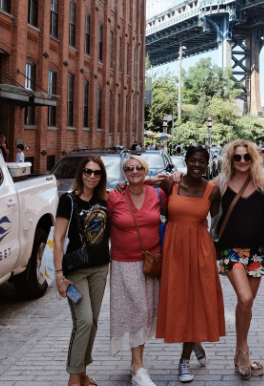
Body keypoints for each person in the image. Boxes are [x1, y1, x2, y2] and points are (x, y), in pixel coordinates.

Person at [154, 144, 224, 383]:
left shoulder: (212, 191)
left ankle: (184, 360)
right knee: (179, 300)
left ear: (207, 164)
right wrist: (125, 184)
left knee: (195, 301)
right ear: (186, 161)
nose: (197, 165)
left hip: (200, 250)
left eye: (201, 161)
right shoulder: (170, 184)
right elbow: (141, 183)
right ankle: (194, 341)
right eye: (193, 160)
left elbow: (214, 224)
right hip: (174, 251)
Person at [211, 140, 264, 380]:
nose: (243, 161)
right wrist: (172, 178)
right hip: (230, 250)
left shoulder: (263, 182)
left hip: (257, 251)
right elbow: (193, 191)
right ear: (230, 159)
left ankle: (240, 351)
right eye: (237, 157)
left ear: (254, 158)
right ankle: (244, 351)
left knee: (246, 304)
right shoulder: (221, 183)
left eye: (247, 157)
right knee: (244, 297)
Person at [52, 156, 110, 386]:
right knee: (83, 321)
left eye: (97, 173)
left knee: (93, 321)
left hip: (100, 269)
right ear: (81, 173)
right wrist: (59, 275)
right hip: (75, 271)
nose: (91, 176)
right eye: (87, 171)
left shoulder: (104, 200)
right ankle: (73, 379)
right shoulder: (68, 200)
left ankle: (83, 373)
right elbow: (57, 240)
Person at [108, 154, 162, 386]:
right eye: (129, 168)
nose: (134, 171)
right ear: (124, 173)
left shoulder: (158, 194)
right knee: (139, 309)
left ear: (146, 170)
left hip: (152, 263)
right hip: (124, 262)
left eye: (139, 167)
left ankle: (191, 342)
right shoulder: (115, 196)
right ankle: (137, 367)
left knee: (151, 310)